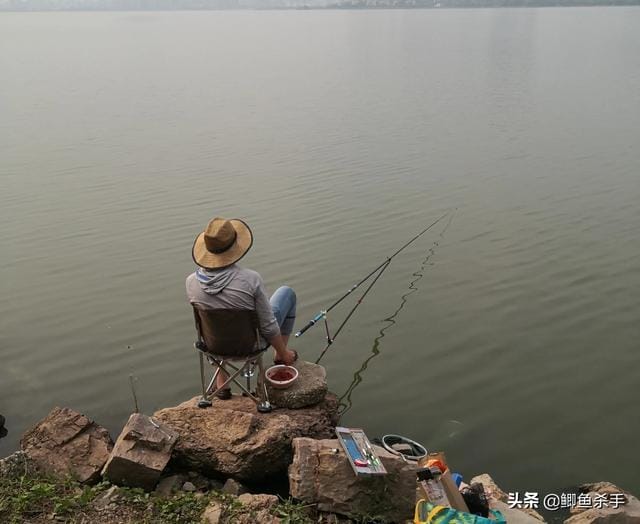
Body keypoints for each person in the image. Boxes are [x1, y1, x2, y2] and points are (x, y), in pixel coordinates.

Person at [186, 216, 298, 399]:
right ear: (235, 248)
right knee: (287, 294)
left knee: (212, 323)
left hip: (214, 346)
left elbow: (202, 326)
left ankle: (221, 382)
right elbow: (268, 325)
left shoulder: (191, 282)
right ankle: (281, 355)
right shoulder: (250, 280)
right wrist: (286, 354)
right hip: (251, 345)